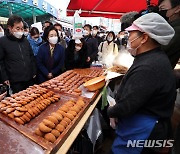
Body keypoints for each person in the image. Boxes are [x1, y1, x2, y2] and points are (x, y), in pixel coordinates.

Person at [107, 13, 176, 154]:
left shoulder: (149, 67)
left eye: (131, 34)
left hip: (144, 132)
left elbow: (128, 105)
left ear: (144, 38)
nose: (128, 38)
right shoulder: (150, 57)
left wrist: (111, 111)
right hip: (143, 126)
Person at [0, 15, 36, 93]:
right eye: (17, 28)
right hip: (15, 81)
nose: (20, 31)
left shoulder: (25, 41)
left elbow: (31, 56)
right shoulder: (2, 41)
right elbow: (1, 61)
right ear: (10, 28)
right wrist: (4, 77)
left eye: (22, 28)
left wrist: (33, 71)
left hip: (29, 78)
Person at [158, 0, 180, 69]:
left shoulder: (176, 31)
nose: (160, 12)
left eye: (163, 9)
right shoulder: (168, 25)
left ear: (177, 9)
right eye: (159, 9)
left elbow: (157, 49)